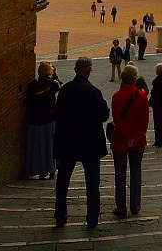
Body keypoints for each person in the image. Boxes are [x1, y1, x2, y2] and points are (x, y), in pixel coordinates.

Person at [53, 56, 109, 229]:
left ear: (75, 70)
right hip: (89, 143)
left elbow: (57, 112)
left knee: (63, 181)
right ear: (89, 70)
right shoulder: (93, 92)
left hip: (67, 141)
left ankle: (60, 216)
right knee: (92, 182)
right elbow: (104, 115)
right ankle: (92, 218)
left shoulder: (65, 90)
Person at [110, 65, 149, 218]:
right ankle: (135, 206)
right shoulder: (141, 95)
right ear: (135, 78)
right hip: (137, 141)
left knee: (120, 174)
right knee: (136, 172)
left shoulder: (116, 96)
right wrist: (135, 138)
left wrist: (126, 138)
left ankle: (121, 207)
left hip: (120, 139)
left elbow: (117, 120)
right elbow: (144, 121)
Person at [25, 61, 59, 179]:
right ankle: (52, 170)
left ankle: (41, 171)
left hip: (35, 119)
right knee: (50, 145)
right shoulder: (53, 84)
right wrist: (54, 74)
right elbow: (58, 85)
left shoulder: (33, 85)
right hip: (49, 118)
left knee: (38, 146)